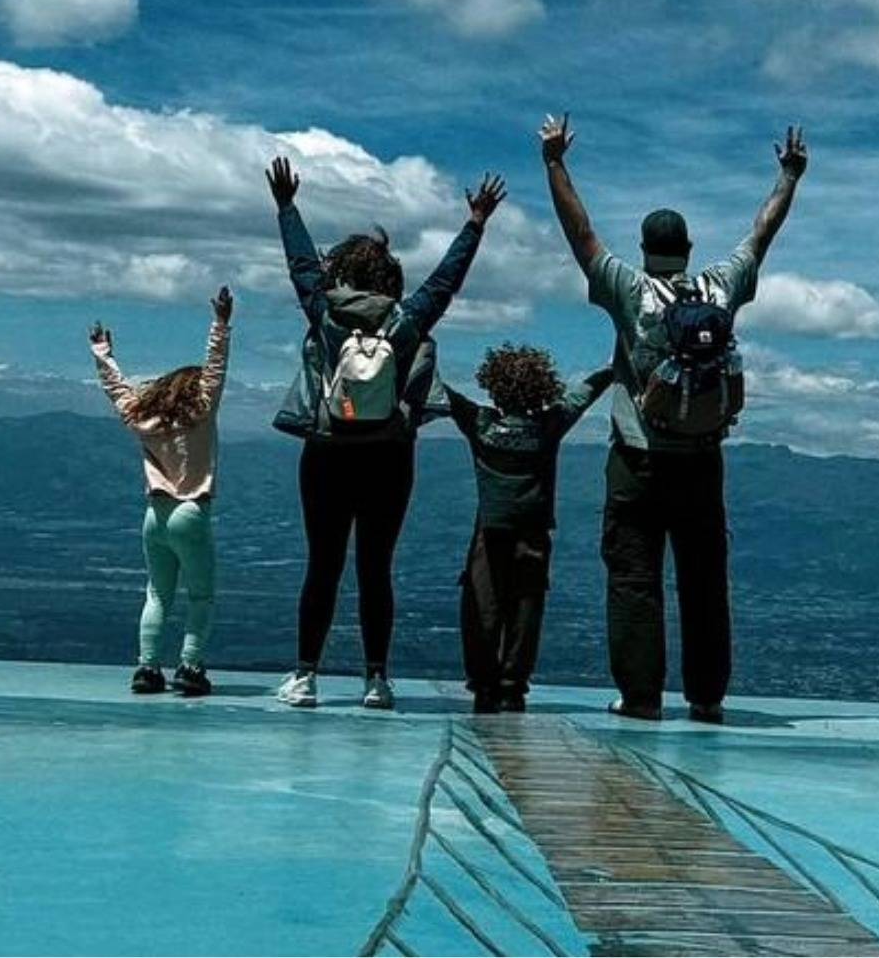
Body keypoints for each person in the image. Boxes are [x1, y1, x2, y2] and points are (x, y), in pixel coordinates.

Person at [538, 112, 807, 724]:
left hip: (637, 458)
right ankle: (708, 696)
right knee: (705, 580)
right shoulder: (719, 289)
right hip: (702, 460)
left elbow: (580, 236)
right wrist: (789, 177)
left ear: (645, 250)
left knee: (634, 578)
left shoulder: (630, 293)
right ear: (686, 250)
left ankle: (639, 698)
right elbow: (761, 235)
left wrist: (555, 162)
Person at [266, 156, 507, 710]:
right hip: (389, 458)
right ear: (388, 278)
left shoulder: (324, 312)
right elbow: (446, 281)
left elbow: (300, 263)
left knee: (321, 564)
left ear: (341, 272)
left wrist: (286, 207)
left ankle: (305, 676)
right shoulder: (408, 320)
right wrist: (475, 223)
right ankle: (376, 678)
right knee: (377, 567)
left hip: (325, 454)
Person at [442, 345, 612, 714]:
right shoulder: (549, 424)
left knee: (482, 606)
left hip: (488, 530)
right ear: (543, 386)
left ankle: (482, 684)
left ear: (494, 385)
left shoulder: (479, 422)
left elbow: (444, 395)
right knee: (526, 606)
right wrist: (613, 368)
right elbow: (584, 393)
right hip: (533, 530)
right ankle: (512, 686)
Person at [90, 286, 233, 698]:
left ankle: (147, 669)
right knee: (201, 595)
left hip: (154, 516)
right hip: (192, 509)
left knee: (157, 593)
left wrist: (103, 354)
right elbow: (216, 367)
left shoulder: (143, 421)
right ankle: (190, 666)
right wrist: (221, 324)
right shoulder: (203, 411)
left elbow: (118, 391)